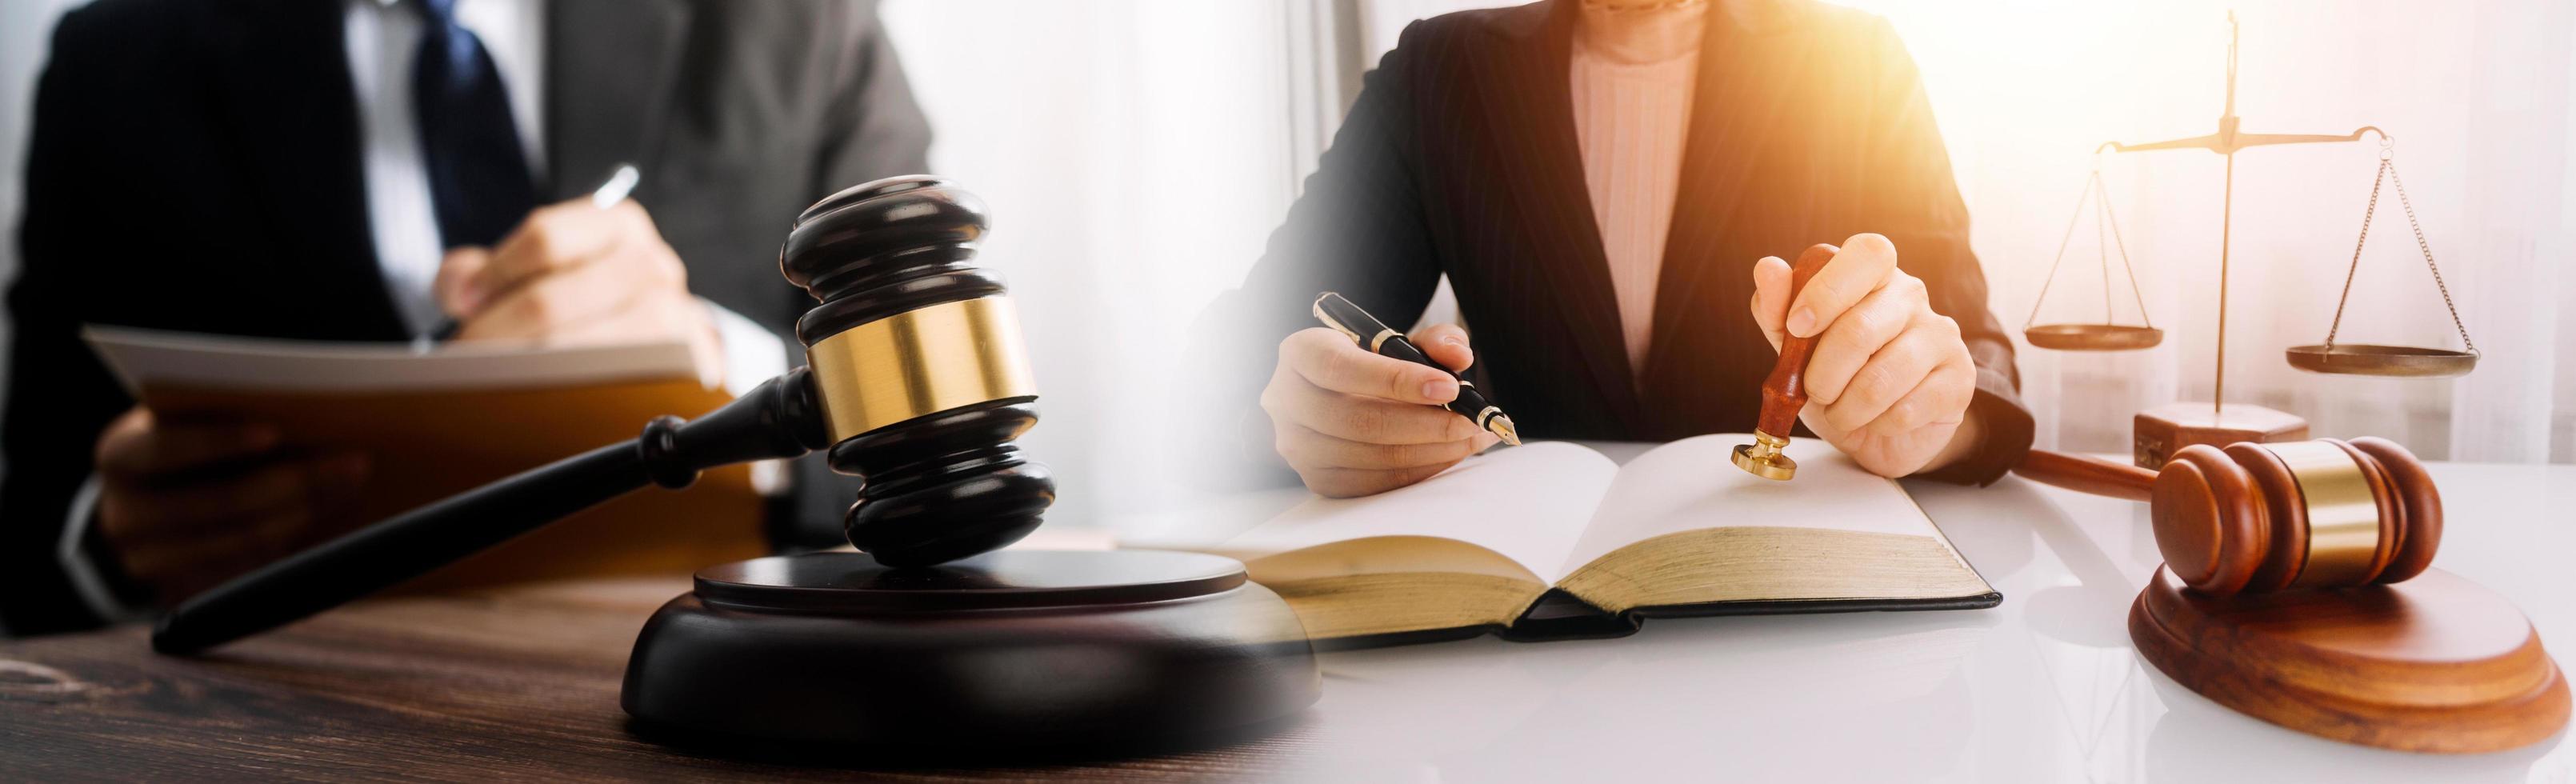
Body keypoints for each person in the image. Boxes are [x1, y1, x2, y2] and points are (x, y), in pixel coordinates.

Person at [1, 0, 929, 635]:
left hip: (715, 682)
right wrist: (113, 546)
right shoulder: (112, 65)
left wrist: (733, 368)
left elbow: (945, 417)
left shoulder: (802, 24)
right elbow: (39, 511)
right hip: (286, 704)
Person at [1209, 0, 2034, 498]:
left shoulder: (1857, 63)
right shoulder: (1438, 73)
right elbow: (1258, 355)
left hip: (1795, 611)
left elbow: (1975, 357)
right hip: (1524, 627)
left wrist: (1930, 415)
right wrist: (1293, 411)